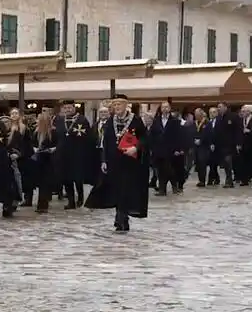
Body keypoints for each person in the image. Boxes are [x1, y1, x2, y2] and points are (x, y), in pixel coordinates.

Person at [99, 94, 150, 232]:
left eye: (119, 105)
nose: (116, 107)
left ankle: (122, 218)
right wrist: (104, 160)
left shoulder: (136, 120)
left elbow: (144, 138)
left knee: (126, 190)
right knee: (116, 190)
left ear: (126, 105)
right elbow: (106, 142)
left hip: (130, 162)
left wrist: (135, 148)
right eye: (114, 105)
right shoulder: (111, 121)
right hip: (114, 161)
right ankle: (120, 216)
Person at [54, 100, 93, 210]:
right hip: (63, 154)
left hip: (78, 154)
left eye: (69, 107)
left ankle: (80, 198)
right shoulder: (59, 120)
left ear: (74, 108)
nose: (67, 110)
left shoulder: (82, 119)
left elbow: (88, 137)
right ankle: (71, 201)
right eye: (65, 108)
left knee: (78, 178)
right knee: (66, 179)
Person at [149, 101, 185, 196]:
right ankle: (164, 189)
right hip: (158, 149)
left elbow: (179, 136)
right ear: (161, 109)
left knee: (169, 168)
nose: (165, 109)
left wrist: (178, 148)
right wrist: (151, 147)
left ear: (169, 108)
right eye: (163, 107)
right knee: (160, 170)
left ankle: (172, 186)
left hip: (170, 149)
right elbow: (152, 134)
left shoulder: (175, 121)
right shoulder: (156, 120)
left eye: (166, 107)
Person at [31, 110, 58, 212]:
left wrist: (52, 149)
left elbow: (57, 145)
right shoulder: (36, 132)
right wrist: (35, 149)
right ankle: (41, 204)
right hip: (39, 159)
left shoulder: (53, 132)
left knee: (45, 184)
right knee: (41, 184)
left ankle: (43, 205)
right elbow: (33, 144)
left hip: (49, 159)